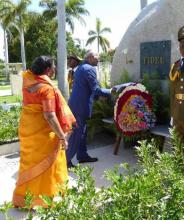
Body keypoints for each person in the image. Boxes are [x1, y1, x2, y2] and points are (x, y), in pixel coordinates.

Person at [12, 56, 76, 207]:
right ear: (48, 70)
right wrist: (62, 136)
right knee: (48, 165)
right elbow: (49, 115)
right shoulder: (46, 88)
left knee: (29, 164)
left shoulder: (27, 82)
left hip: (28, 129)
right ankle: (48, 200)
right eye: (53, 67)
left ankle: (23, 199)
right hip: (43, 134)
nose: (54, 69)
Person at [66, 50, 111, 168]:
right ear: (90, 57)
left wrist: (98, 96)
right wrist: (111, 91)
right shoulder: (89, 69)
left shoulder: (81, 68)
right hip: (80, 107)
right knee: (77, 134)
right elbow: (96, 89)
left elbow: (87, 88)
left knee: (82, 133)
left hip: (77, 105)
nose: (98, 59)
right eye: (97, 56)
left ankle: (82, 156)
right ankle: (65, 161)